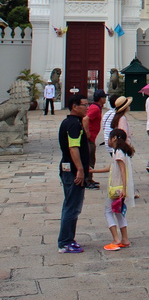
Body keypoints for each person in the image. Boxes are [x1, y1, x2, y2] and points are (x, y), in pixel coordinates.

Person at [57, 92, 90, 253]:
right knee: (72, 206)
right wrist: (80, 169)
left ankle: (68, 238)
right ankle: (65, 241)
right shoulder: (74, 125)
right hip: (72, 170)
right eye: (84, 105)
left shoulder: (71, 122)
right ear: (74, 106)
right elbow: (73, 147)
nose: (87, 107)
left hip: (68, 168)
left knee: (70, 204)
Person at [102, 128, 135, 250]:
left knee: (108, 211)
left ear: (114, 138)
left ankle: (116, 239)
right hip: (119, 187)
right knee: (118, 212)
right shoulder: (120, 152)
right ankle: (124, 239)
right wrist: (94, 171)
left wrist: (124, 189)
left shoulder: (119, 152)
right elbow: (112, 167)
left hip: (117, 187)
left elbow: (122, 170)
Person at [84, 90, 106, 189]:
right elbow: (85, 119)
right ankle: (87, 180)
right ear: (101, 98)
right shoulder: (95, 109)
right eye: (104, 97)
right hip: (89, 137)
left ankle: (89, 178)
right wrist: (87, 132)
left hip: (92, 137)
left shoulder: (97, 108)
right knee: (89, 158)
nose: (105, 99)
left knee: (91, 158)